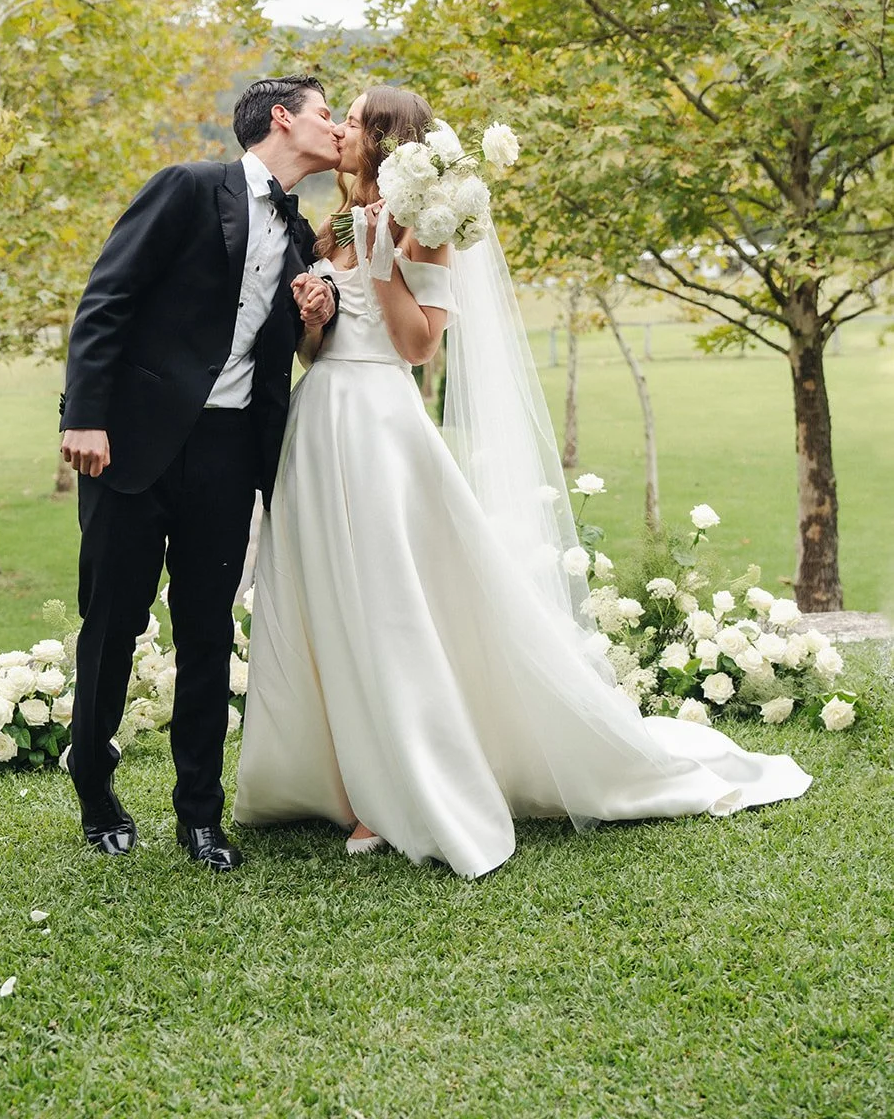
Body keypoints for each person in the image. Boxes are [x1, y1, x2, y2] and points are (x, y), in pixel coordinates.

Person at [233, 86, 811, 878]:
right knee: (321, 592)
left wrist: (377, 260)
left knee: (388, 599)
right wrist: (311, 315)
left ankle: (397, 783)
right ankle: (324, 774)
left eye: (353, 118)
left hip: (380, 428)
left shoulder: (425, 226)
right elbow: (317, 351)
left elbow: (413, 349)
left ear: (383, 138)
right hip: (319, 420)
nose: (337, 129)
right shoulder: (327, 223)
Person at [59, 76, 342, 871]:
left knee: (209, 632)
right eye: (326, 112)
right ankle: (93, 778)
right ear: (282, 119)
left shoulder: (301, 236)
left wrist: (312, 314)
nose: (335, 125)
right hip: (131, 444)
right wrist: (83, 415)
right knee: (114, 621)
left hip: (227, 454)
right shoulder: (189, 187)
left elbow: (271, 341)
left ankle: (199, 815)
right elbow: (107, 297)